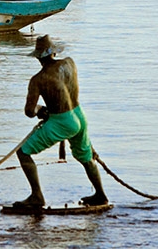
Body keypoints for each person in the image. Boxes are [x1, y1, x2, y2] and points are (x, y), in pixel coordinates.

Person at [15, 35, 108, 208]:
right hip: (79, 115)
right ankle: (101, 195)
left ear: (37, 57)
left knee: (23, 153)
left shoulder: (38, 79)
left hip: (62, 121)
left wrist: (40, 110)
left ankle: (37, 196)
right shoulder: (69, 63)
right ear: (54, 53)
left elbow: (29, 111)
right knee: (86, 157)